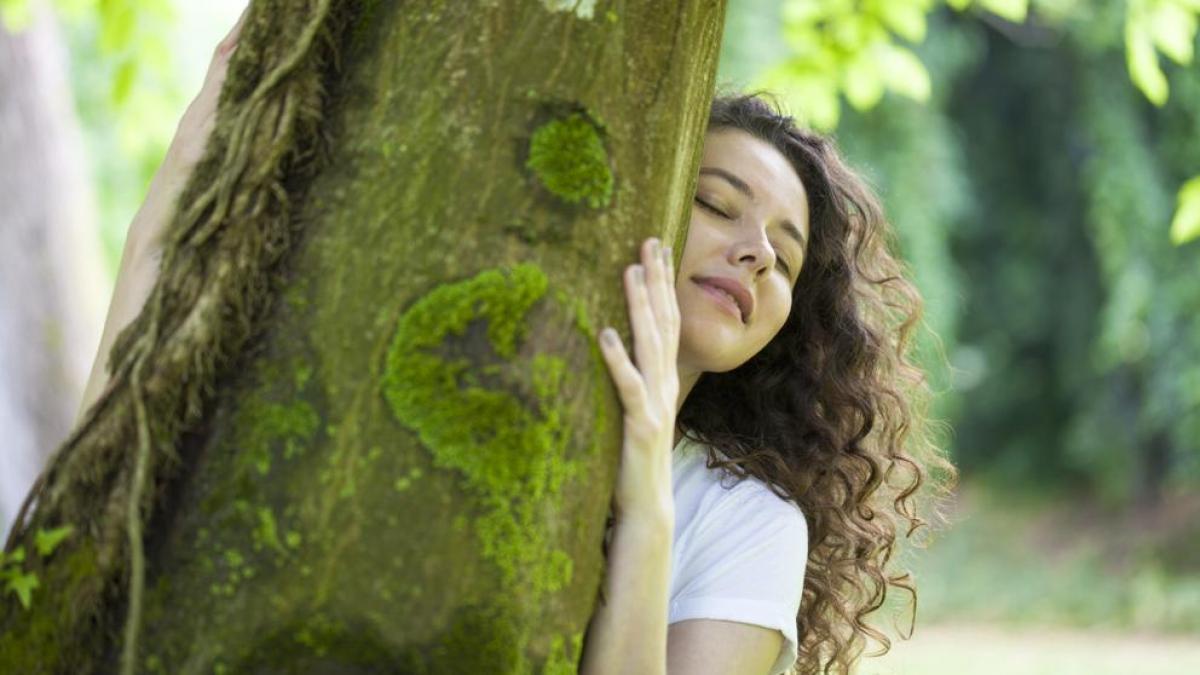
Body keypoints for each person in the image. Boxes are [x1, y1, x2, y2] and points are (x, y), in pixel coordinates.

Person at [79, 12, 950, 675]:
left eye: (785, 257)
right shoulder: (446, 373)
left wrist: (647, 497)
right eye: (718, 205)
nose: (756, 251)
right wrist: (195, 154)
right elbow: (118, 435)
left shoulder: (746, 520)